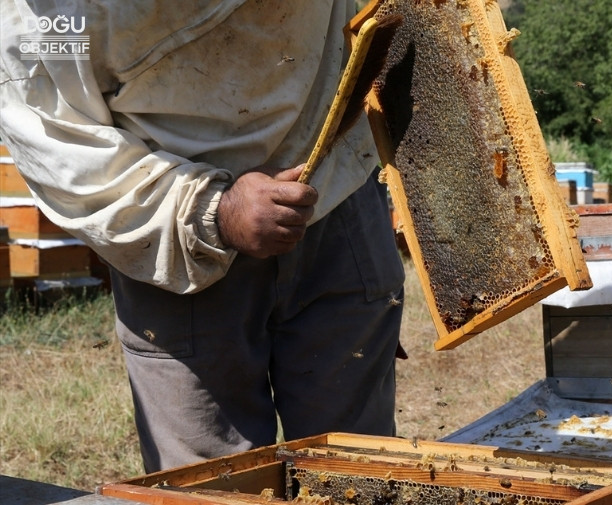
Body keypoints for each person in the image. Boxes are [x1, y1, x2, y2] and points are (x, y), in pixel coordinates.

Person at [0, 0, 405, 472]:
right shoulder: (35, 22)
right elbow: (66, 153)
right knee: (211, 484)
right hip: (174, 244)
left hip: (337, 192)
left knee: (354, 467)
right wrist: (218, 211)